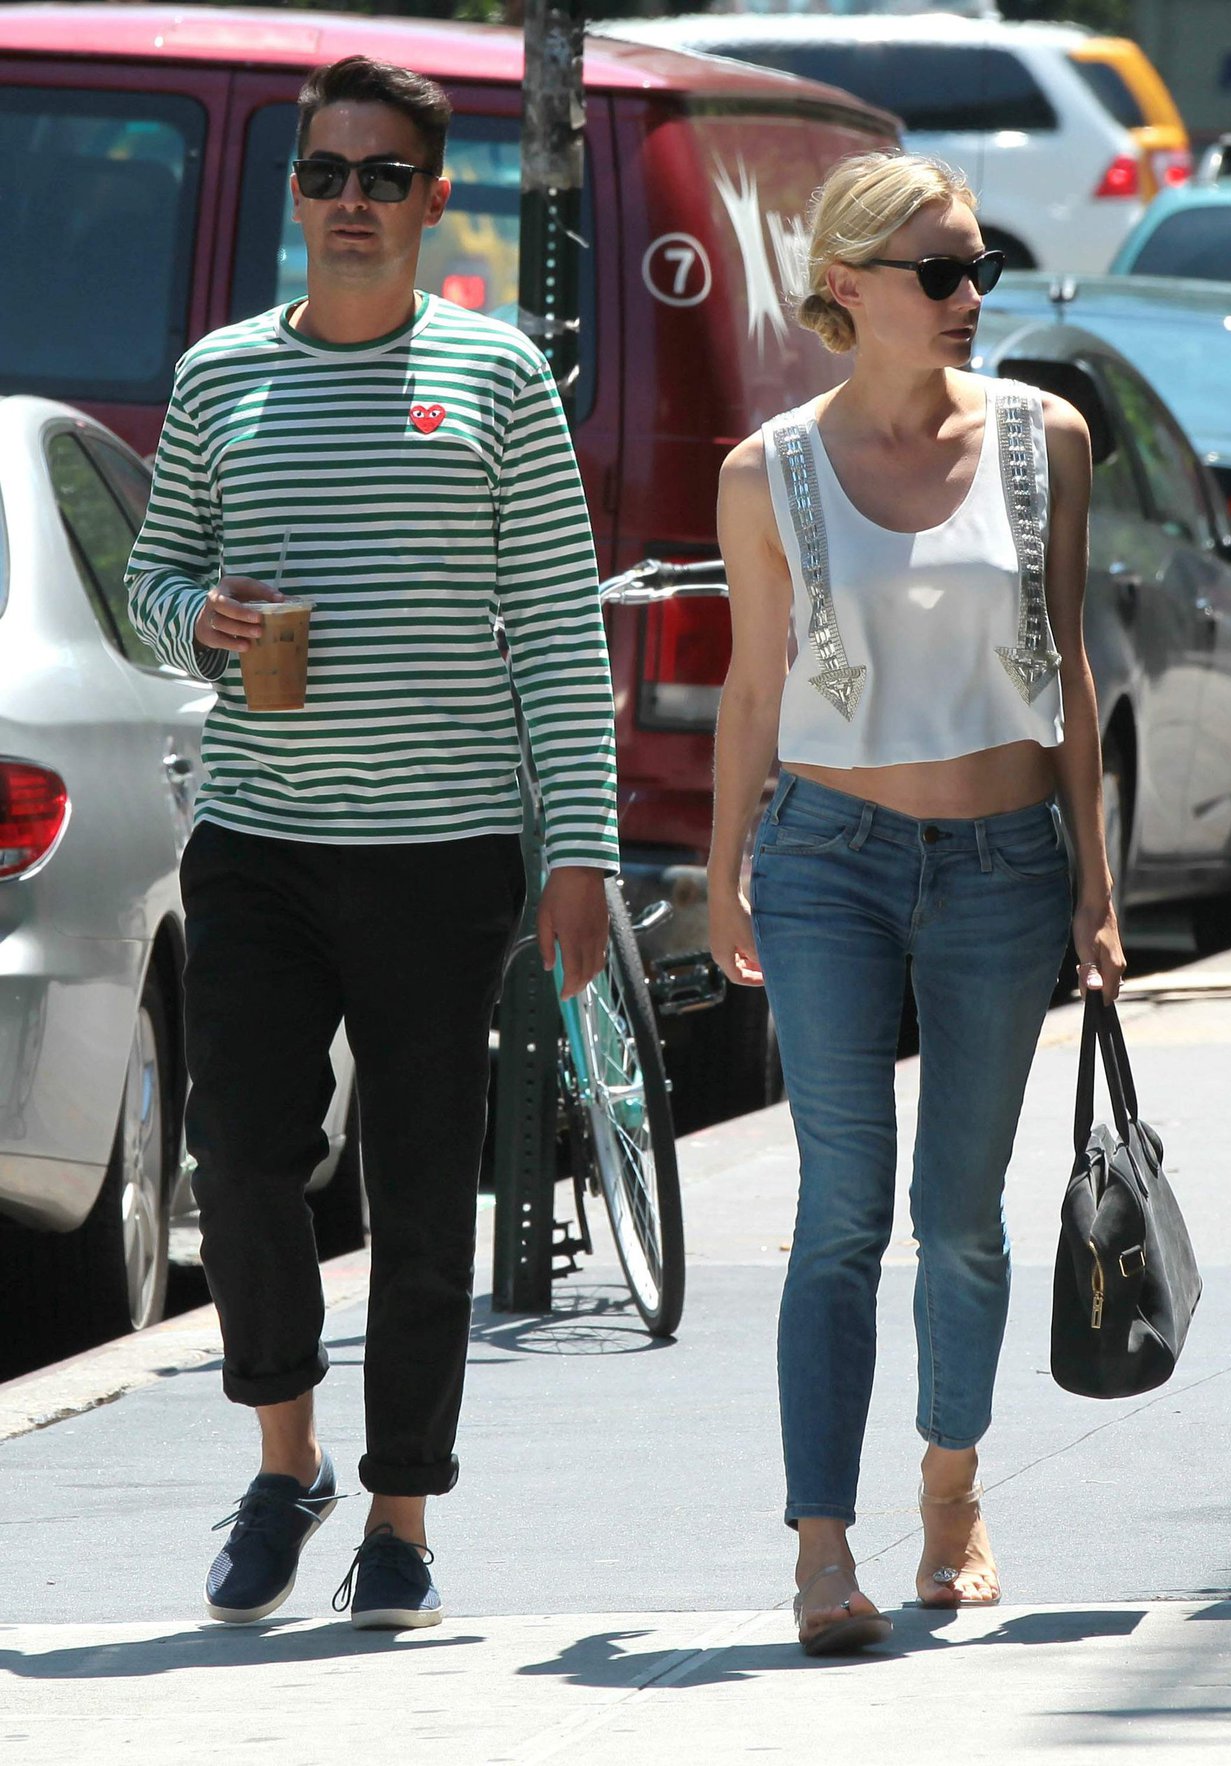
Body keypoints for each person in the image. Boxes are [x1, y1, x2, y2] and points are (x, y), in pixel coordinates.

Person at [126, 56, 617, 1630]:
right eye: (327, 173)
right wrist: (194, 615)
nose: (352, 200)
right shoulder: (219, 378)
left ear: (432, 195)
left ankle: (399, 1510)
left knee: (418, 1194)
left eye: (382, 176)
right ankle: (287, 1464)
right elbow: (152, 580)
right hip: (258, 842)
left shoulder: (497, 378)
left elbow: (551, 628)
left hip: (441, 848)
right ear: (299, 196)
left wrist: (581, 852)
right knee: (243, 1164)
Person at [708, 151, 1125, 1654]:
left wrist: (1096, 881)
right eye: (940, 273)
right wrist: (721, 871)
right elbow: (756, 684)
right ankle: (823, 1547)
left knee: (958, 1218)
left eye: (980, 271)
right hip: (828, 858)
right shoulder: (769, 470)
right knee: (837, 1213)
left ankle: (951, 1490)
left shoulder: (1046, 439)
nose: (969, 299)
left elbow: (1069, 665)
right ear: (847, 285)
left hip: (1008, 861)